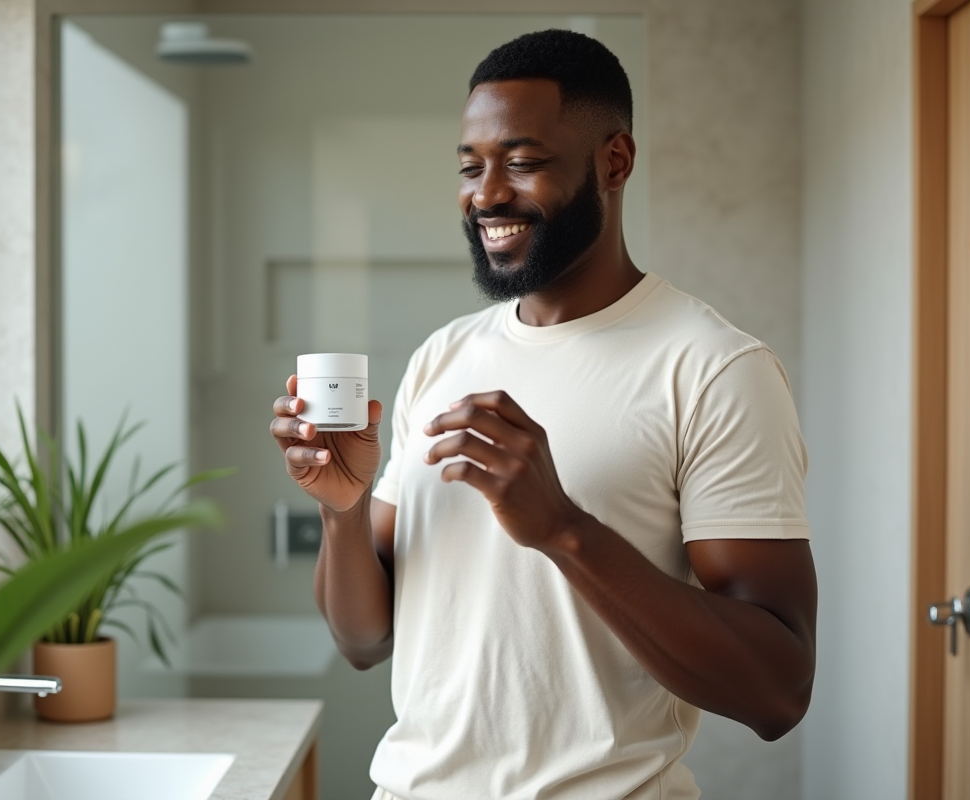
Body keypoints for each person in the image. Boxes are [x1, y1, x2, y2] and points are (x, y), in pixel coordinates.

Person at [269, 29, 816, 800]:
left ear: (614, 161)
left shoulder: (714, 369)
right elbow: (366, 640)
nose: (487, 193)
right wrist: (343, 512)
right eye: (470, 166)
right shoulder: (443, 357)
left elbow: (777, 691)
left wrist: (564, 529)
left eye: (522, 162)